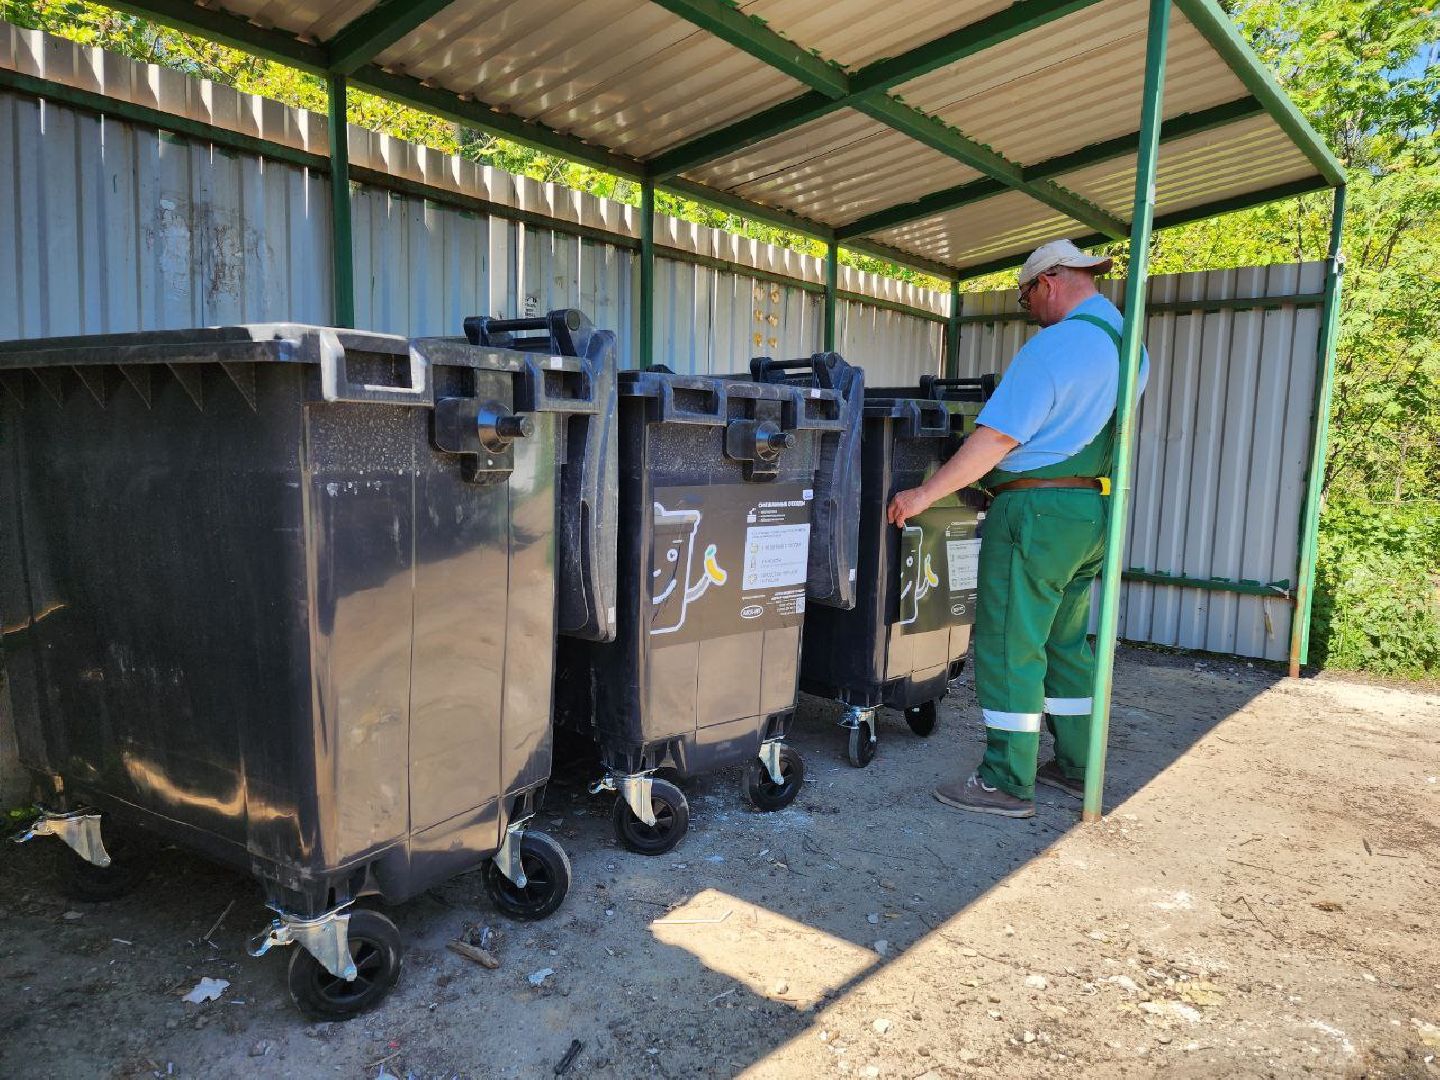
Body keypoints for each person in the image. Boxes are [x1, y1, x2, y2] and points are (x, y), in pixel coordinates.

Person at [887, 239, 1148, 818]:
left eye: (1027, 295)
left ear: (1049, 281)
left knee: (1010, 643)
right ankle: (1079, 766)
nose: (1029, 308)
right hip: (1090, 512)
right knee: (1065, 643)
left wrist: (926, 493)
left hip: (1035, 516)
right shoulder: (1129, 346)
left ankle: (1006, 780)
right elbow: (1071, 435)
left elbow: (998, 437)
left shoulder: (1057, 346)